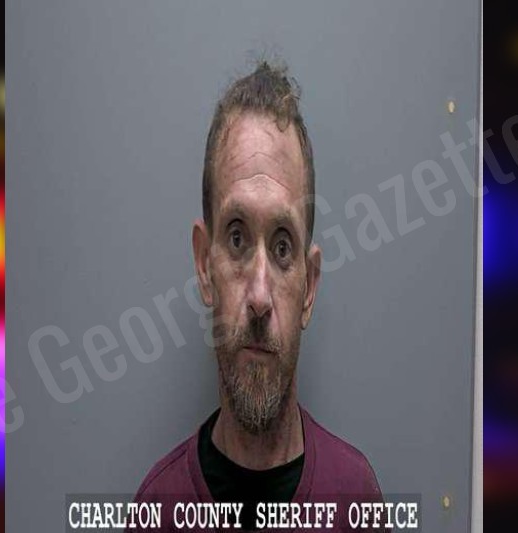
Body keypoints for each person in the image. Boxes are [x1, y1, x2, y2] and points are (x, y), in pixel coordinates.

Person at [132, 60, 386, 531]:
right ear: (204, 265)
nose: (260, 295)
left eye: (283, 246)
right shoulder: (157, 511)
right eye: (236, 238)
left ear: (309, 287)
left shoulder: (356, 500)